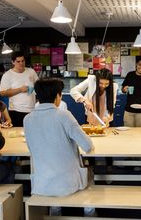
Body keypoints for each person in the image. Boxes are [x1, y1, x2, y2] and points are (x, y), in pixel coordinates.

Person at [23, 79, 95, 216]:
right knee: (91, 173)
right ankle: (90, 213)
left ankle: (55, 211)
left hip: (41, 183)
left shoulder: (27, 119)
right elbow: (87, 146)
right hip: (68, 184)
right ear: (57, 96)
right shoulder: (63, 115)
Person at [0, 51, 38, 126]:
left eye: (23, 61)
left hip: (32, 110)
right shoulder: (7, 75)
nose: (21, 63)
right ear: (13, 62)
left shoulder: (31, 72)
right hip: (16, 111)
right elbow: (2, 93)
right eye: (18, 61)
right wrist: (20, 90)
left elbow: (38, 86)